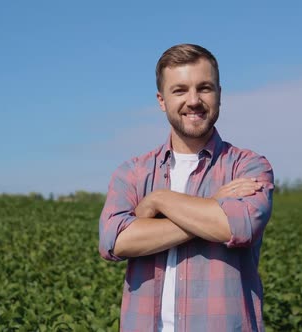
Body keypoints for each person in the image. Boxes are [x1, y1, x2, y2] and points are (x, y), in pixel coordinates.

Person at [99, 44, 274, 331]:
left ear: (219, 93)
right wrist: (211, 205)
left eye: (204, 88)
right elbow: (114, 241)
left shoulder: (249, 166)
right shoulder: (132, 173)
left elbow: (235, 228)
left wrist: (158, 201)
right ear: (161, 100)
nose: (193, 100)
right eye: (179, 90)